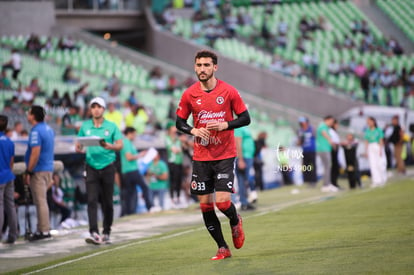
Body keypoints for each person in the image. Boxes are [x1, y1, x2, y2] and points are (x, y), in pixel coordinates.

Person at [175, 50, 248, 260]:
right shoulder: (189, 94)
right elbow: (179, 122)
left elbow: (245, 118)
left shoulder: (229, 91)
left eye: (206, 65)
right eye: (199, 65)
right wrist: (193, 130)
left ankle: (235, 221)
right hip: (201, 157)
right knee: (205, 206)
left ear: (215, 67)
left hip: (225, 154)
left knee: (223, 203)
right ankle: (222, 247)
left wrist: (226, 124)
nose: (202, 69)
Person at [75, 97, 123, 245]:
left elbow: (120, 145)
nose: (96, 109)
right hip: (91, 166)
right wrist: (79, 148)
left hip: (108, 166)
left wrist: (110, 146)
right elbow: (79, 145)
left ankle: (106, 231)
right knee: (91, 200)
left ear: (103, 109)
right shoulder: (85, 126)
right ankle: (93, 232)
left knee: (107, 202)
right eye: (93, 107)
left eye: (99, 107)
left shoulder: (112, 126)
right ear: (90, 110)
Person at [25, 105, 55, 241]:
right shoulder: (49, 129)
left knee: (40, 201)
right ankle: (44, 228)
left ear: (33, 116)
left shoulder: (36, 131)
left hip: (39, 170)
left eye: (29, 113)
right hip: (48, 168)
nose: (27, 114)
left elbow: (35, 153)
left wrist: (29, 170)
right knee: (43, 201)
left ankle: (43, 231)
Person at [119, 127, 152, 216]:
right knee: (144, 187)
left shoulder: (128, 143)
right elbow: (129, 157)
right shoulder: (126, 142)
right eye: (134, 134)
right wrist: (140, 155)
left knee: (131, 192)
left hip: (128, 171)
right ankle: (150, 206)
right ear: (129, 133)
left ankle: (130, 212)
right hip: (131, 170)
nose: (135, 136)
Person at [0, 115, 18, 244]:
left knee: (0, 207)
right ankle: (13, 235)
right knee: (10, 206)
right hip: (9, 176)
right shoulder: (9, 141)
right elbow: (12, 162)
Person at [234, 125, 256, 210]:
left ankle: (245, 201)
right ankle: (243, 202)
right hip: (243, 157)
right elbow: (237, 142)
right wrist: (240, 159)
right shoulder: (238, 127)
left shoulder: (243, 126)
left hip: (247, 157)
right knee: (243, 180)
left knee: (244, 180)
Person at [316, 115, 338, 193]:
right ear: (327, 120)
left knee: (327, 166)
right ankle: (326, 185)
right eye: (331, 121)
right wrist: (331, 142)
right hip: (323, 149)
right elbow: (325, 134)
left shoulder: (325, 127)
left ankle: (327, 184)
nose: (332, 123)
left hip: (325, 149)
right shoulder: (323, 126)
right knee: (327, 166)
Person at [165, 120, 184, 207]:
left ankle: (179, 197)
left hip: (179, 161)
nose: (175, 128)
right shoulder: (168, 138)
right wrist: (177, 145)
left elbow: (181, 148)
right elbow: (174, 150)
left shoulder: (177, 138)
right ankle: (172, 199)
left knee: (179, 180)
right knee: (173, 181)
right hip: (172, 162)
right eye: (173, 127)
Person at [364, 116, 387, 187]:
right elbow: (366, 141)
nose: (369, 123)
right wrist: (366, 151)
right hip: (371, 147)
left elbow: (381, 140)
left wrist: (380, 149)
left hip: (377, 146)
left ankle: (383, 178)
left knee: (380, 163)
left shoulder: (378, 130)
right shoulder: (367, 131)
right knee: (373, 164)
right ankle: (376, 180)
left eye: (370, 121)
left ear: (373, 122)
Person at [297, 117, 317, 186]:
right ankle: (307, 180)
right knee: (306, 166)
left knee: (313, 165)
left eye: (303, 122)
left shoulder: (312, 129)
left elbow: (316, 138)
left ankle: (313, 180)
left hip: (312, 150)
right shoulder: (300, 130)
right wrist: (300, 141)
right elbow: (298, 142)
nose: (302, 123)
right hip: (304, 151)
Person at [329, 119, 341, 189]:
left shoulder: (334, 132)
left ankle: (335, 183)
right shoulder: (331, 131)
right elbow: (333, 142)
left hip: (336, 150)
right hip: (333, 150)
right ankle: (333, 183)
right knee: (334, 167)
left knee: (336, 167)